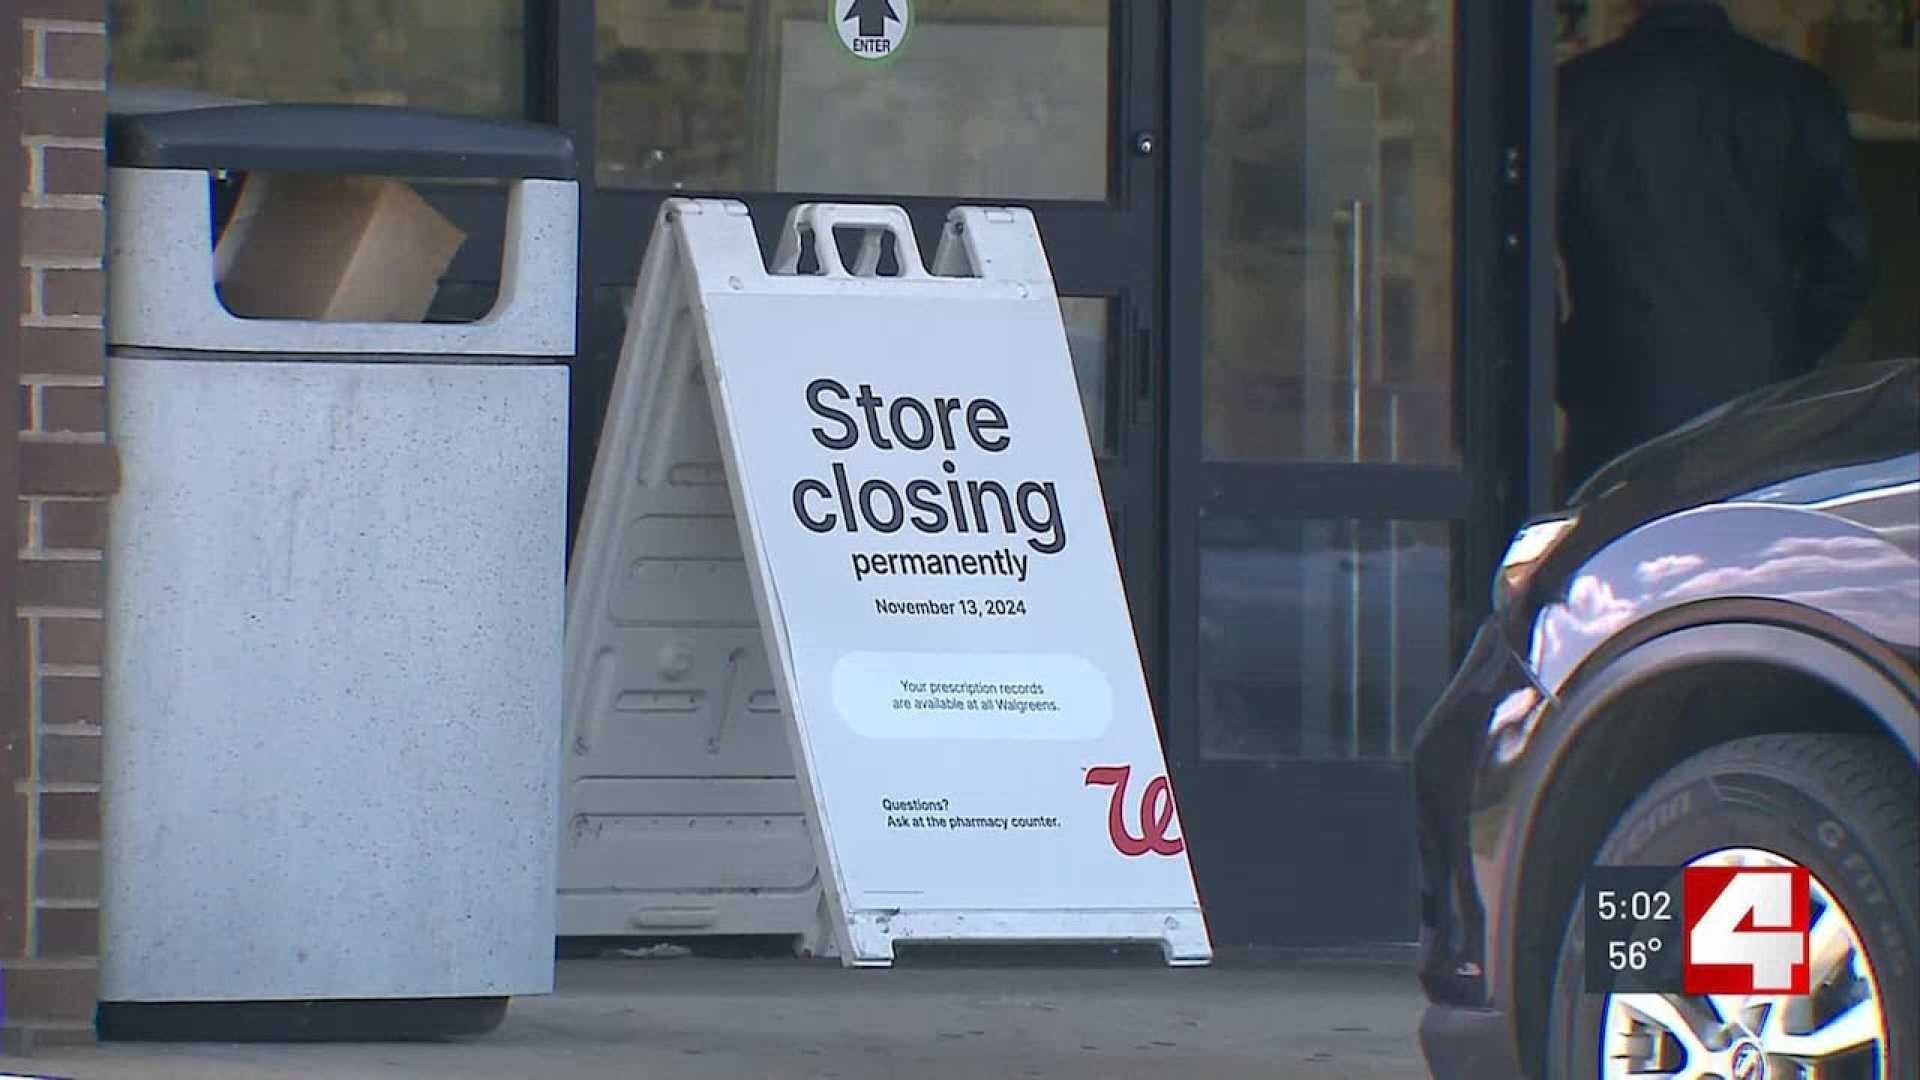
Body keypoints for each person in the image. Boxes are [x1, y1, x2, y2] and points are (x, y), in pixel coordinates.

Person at [1554, 0, 1876, 491]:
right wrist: (1789, 348)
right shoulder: (1794, 91)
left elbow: (1515, 261)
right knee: (1744, 556)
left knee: (1613, 552)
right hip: (1757, 401)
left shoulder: (1573, 92)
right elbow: (1848, 259)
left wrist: (1570, 365)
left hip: (1616, 391)